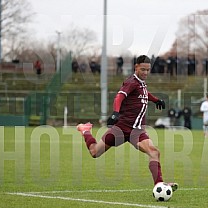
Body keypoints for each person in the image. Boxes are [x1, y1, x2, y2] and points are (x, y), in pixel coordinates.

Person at [76, 55, 178, 191]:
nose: (146, 73)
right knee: (95, 152)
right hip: (122, 128)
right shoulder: (131, 82)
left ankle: (159, 184)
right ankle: (85, 130)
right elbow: (119, 97)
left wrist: (156, 100)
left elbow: (144, 93)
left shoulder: (141, 83)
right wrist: (115, 113)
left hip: (137, 131)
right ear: (136, 67)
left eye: (148, 70)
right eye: (143, 70)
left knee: (154, 152)